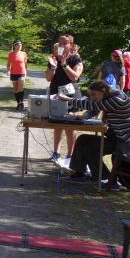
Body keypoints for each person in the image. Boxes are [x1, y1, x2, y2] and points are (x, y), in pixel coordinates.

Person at [57, 80, 130, 181]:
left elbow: (93, 105)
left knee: (90, 147)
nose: (92, 97)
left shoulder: (118, 99)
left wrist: (67, 99)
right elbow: (95, 107)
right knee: (83, 139)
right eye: (91, 95)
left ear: (103, 90)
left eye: (94, 94)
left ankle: (107, 179)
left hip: (125, 143)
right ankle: (80, 173)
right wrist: (82, 116)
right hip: (117, 139)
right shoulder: (109, 95)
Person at [45, 34, 84, 167]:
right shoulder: (54, 58)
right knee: (57, 124)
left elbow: (75, 77)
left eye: (65, 43)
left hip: (71, 96)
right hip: (56, 93)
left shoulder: (75, 59)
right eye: (60, 42)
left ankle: (70, 155)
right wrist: (53, 67)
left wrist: (64, 64)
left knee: (70, 126)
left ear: (71, 45)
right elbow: (48, 78)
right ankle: (56, 153)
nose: (61, 45)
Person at [6, 40, 28, 111]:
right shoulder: (11, 54)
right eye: (18, 45)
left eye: (21, 45)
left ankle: (22, 103)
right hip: (13, 73)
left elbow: (25, 64)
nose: (20, 46)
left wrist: (26, 72)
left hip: (21, 73)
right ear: (14, 46)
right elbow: (8, 64)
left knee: (20, 89)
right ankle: (19, 103)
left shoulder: (24, 54)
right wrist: (8, 71)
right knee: (15, 90)